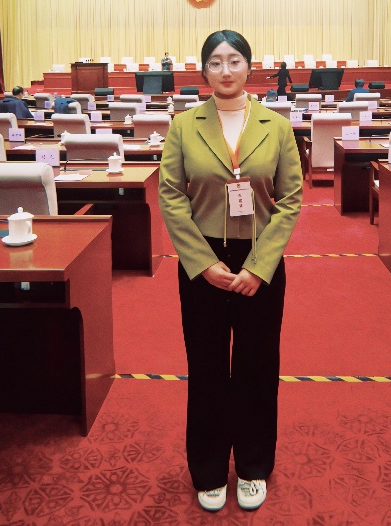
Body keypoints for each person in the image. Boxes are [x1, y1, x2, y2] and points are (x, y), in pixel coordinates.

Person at [158, 30, 303, 513]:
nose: (225, 70)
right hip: (203, 263)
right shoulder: (184, 125)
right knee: (207, 368)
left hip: (261, 261)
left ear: (249, 67)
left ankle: (254, 465)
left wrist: (259, 268)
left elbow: (291, 199)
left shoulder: (276, 126)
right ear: (204, 70)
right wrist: (202, 264)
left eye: (234, 60)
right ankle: (208, 468)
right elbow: (171, 196)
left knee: (257, 367)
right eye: (216, 62)